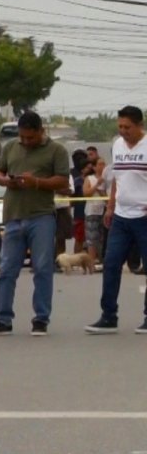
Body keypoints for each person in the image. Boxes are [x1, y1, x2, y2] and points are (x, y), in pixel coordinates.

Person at [0, 111, 70, 337]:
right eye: (22, 137)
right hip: (13, 216)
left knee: (42, 268)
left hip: (41, 216)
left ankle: (41, 319)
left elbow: (63, 180)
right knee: (6, 270)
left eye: (30, 138)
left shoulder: (57, 151)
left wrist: (36, 182)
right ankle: (3, 319)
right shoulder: (11, 147)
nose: (25, 142)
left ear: (41, 131)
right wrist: (5, 181)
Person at [87, 106, 147, 335]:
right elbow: (117, 180)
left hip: (144, 217)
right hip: (121, 216)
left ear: (139, 126)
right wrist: (110, 207)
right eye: (120, 127)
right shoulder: (117, 145)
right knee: (111, 265)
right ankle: (108, 316)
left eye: (127, 127)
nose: (123, 131)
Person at [83, 158, 107, 269]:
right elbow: (86, 193)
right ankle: (91, 261)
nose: (102, 166)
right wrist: (97, 184)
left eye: (103, 164)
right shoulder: (89, 178)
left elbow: (107, 196)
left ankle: (102, 261)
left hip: (103, 210)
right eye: (100, 164)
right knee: (91, 237)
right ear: (94, 167)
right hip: (91, 211)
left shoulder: (106, 179)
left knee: (102, 237)